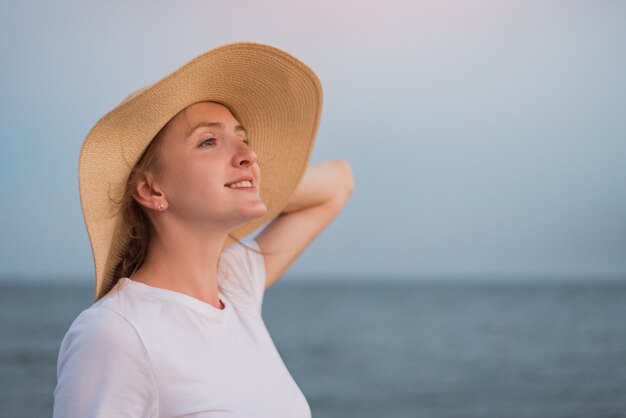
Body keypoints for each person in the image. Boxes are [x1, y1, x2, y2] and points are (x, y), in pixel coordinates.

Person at [53, 42, 354, 417]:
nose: (249, 153)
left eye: (243, 138)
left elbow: (340, 182)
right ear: (150, 190)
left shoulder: (233, 286)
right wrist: (243, 184)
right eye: (209, 141)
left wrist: (248, 183)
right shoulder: (117, 334)